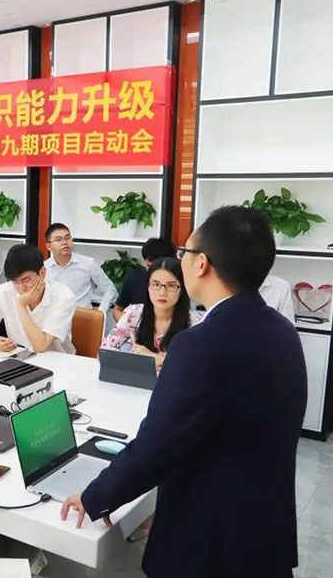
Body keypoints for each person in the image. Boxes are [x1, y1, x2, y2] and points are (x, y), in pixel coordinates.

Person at [61, 206, 307, 578]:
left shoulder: (200, 343)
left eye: (185, 252)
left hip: (210, 544)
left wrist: (96, 496)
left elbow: (157, 445)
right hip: (265, 533)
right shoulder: (283, 331)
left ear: (202, 263)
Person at [0, 244, 77, 354]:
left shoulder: (64, 296)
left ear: (42, 273)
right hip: (22, 357)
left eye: (26, 280)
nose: (21, 288)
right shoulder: (4, 291)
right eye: (15, 281)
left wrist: (21, 305)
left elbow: (40, 346)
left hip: (57, 360)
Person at [102, 257, 205, 371]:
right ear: (148, 287)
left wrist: (154, 358)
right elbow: (106, 350)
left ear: (182, 289)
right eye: (156, 284)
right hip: (139, 378)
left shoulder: (197, 323)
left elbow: (199, 368)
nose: (162, 292)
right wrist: (136, 361)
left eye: (171, 286)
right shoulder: (134, 314)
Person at [43, 223, 117, 312]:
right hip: (55, 317)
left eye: (67, 238)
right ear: (48, 246)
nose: (65, 242)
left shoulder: (88, 264)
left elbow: (110, 289)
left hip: (83, 317)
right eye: (58, 239)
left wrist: (100, 312)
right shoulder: (43, 269)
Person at [112, 238, 176, 322]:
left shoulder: (178, 280)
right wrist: (128, 324)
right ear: (147, 261)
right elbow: (117, 310)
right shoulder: (134, 279)